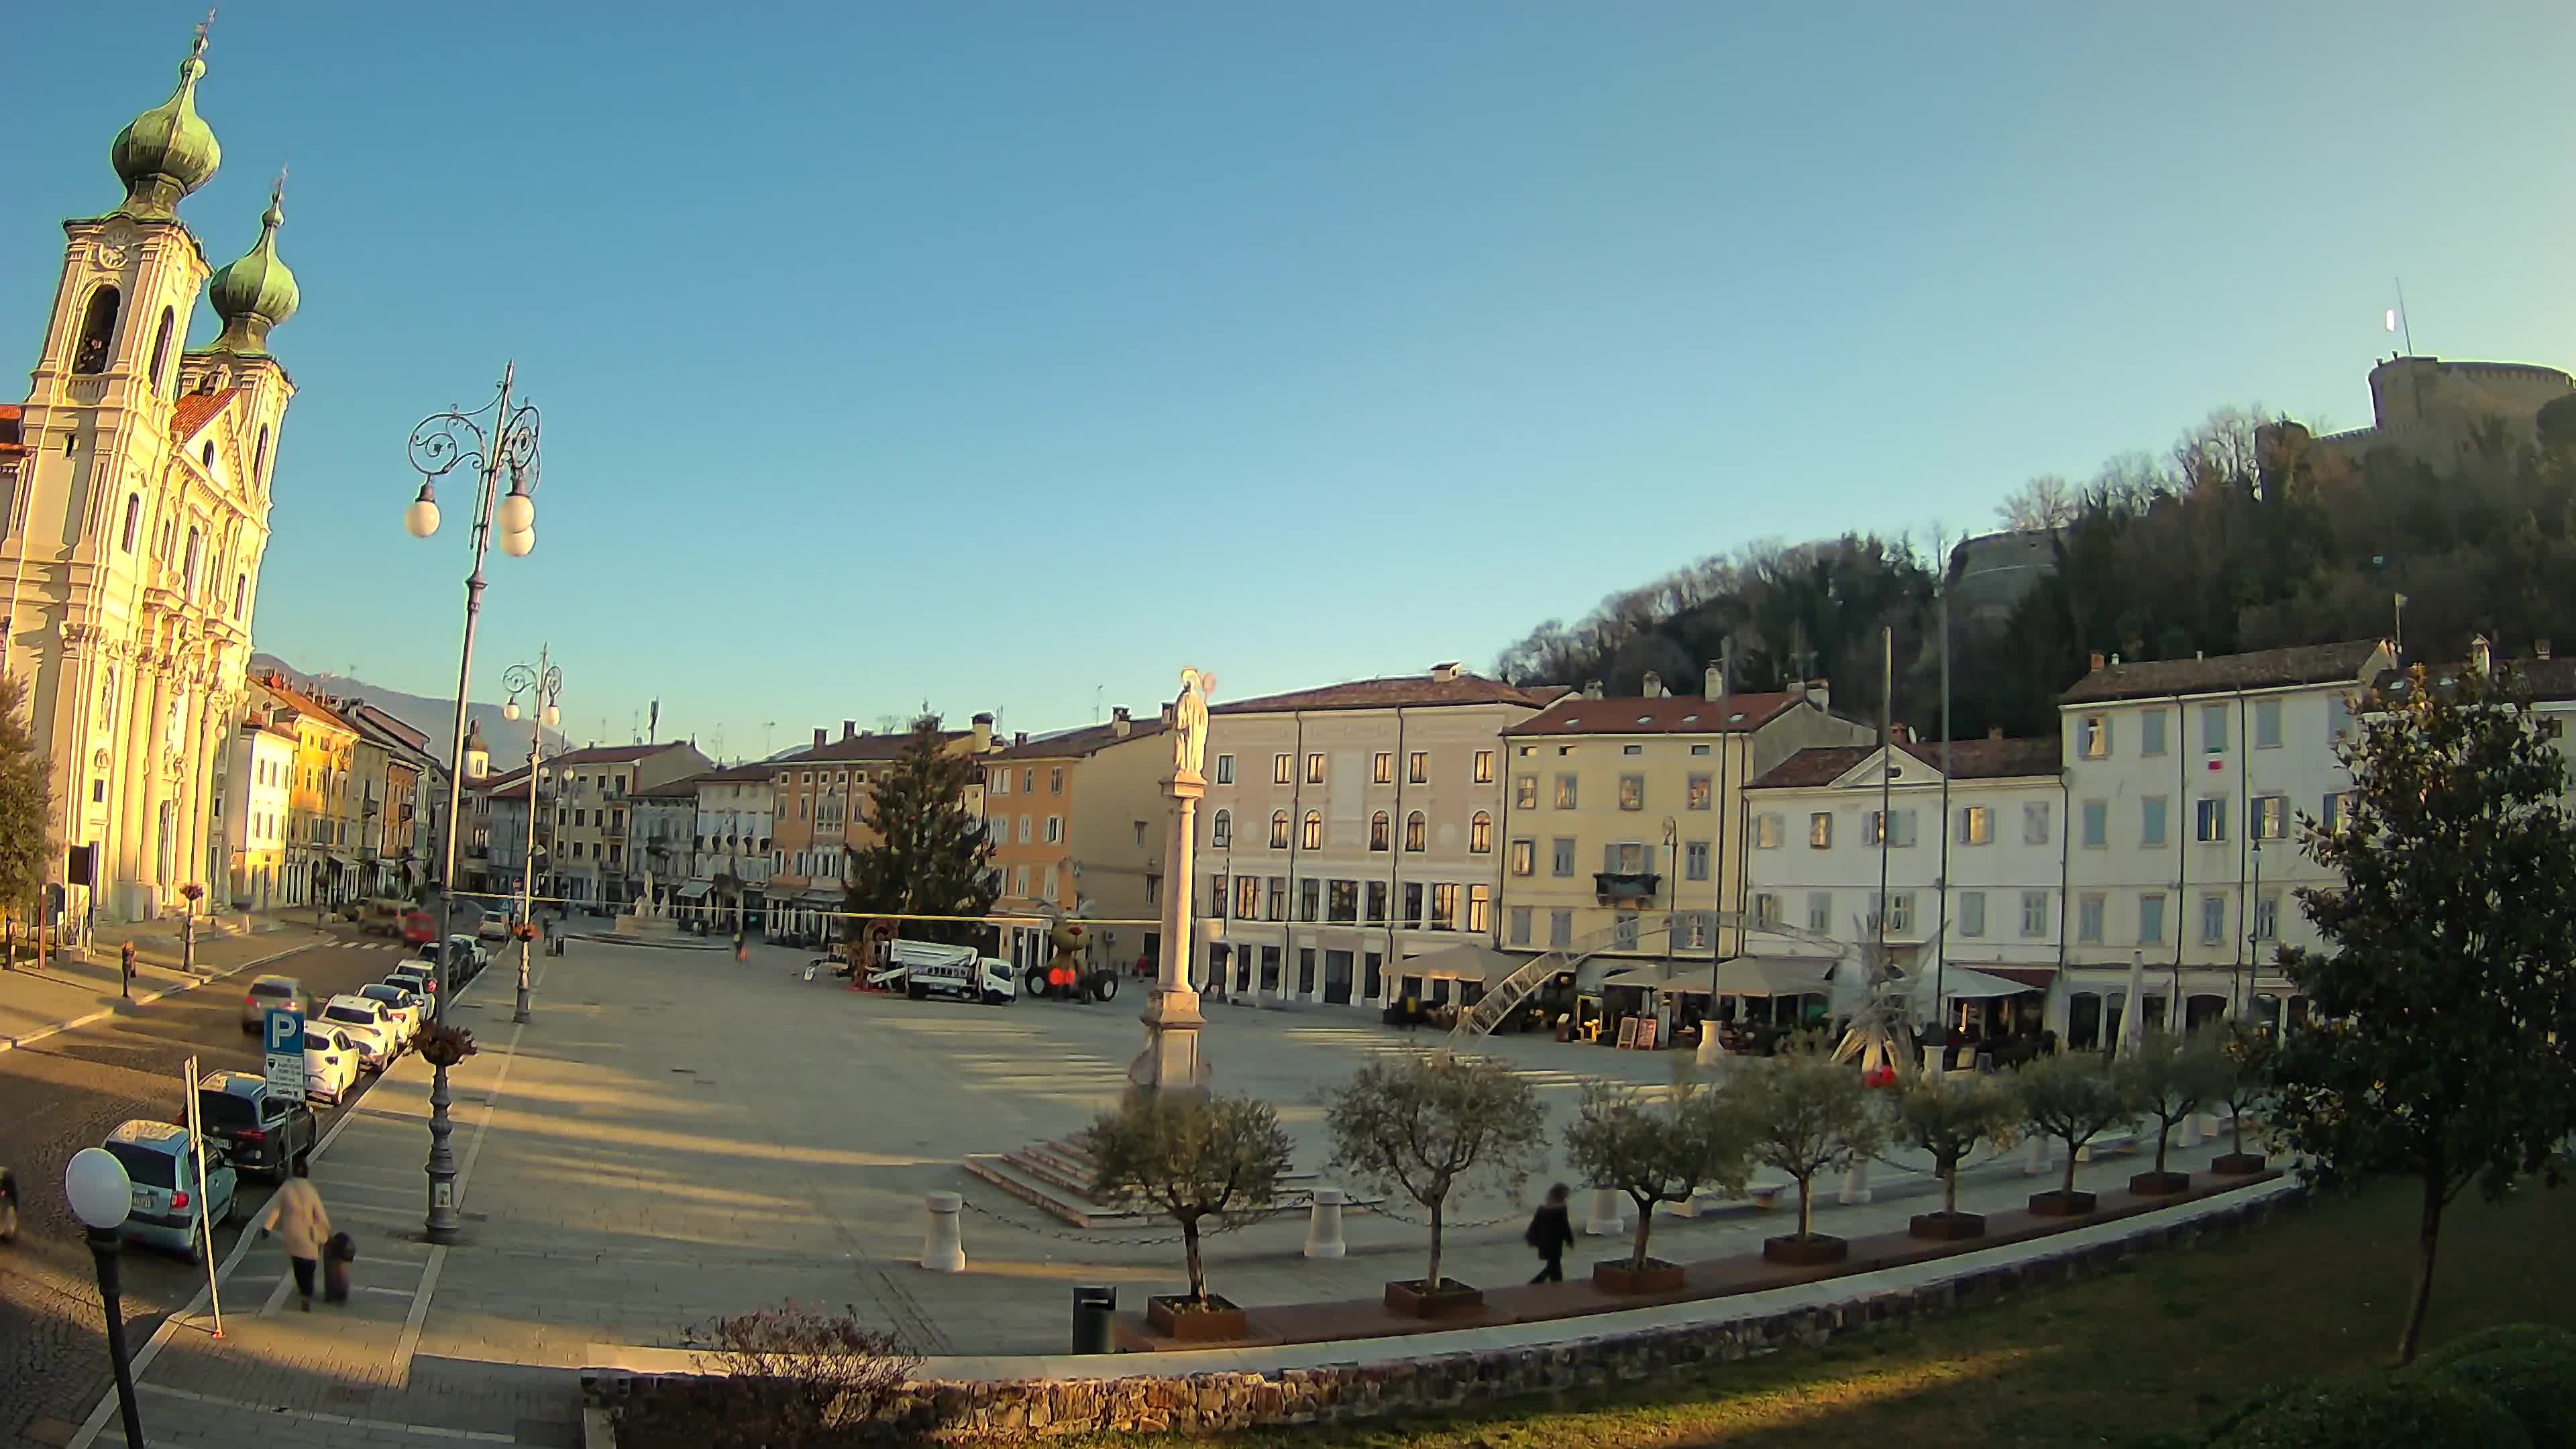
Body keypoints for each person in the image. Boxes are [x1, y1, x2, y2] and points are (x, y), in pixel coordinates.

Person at [258, 1167, 333, 1311]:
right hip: (309, 1237)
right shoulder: (311, 1191)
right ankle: (307, 1293)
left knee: (298, 1266)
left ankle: (303, 1292)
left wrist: (267, 1227)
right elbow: (320, 1214)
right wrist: (328, 1231)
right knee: (309, 1268)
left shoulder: (286, 1188)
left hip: (293, 1236)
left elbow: (276, 1210)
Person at [1525, 1183, 1575, 1284]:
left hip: (1544, 1242)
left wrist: (1530, 1238)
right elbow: (1565, 1227)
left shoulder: (1543, 1209)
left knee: (1554, 1266)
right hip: (1555, 1243)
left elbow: (1534, 1225)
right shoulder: (1561, 1210)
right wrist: (1570, 1241)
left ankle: (1553, 1284)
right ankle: (1536, 1283)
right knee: (1554, 1266)